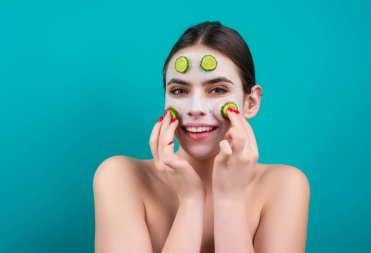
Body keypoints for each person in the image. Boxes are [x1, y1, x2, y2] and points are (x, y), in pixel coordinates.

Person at [93, 21, 310, 253]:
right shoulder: (120, 177)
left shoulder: (285, 186)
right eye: (179, 90)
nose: (195, 108)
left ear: (251, 102)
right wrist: (191, 200)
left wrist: (229, 199)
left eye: (217, 89)